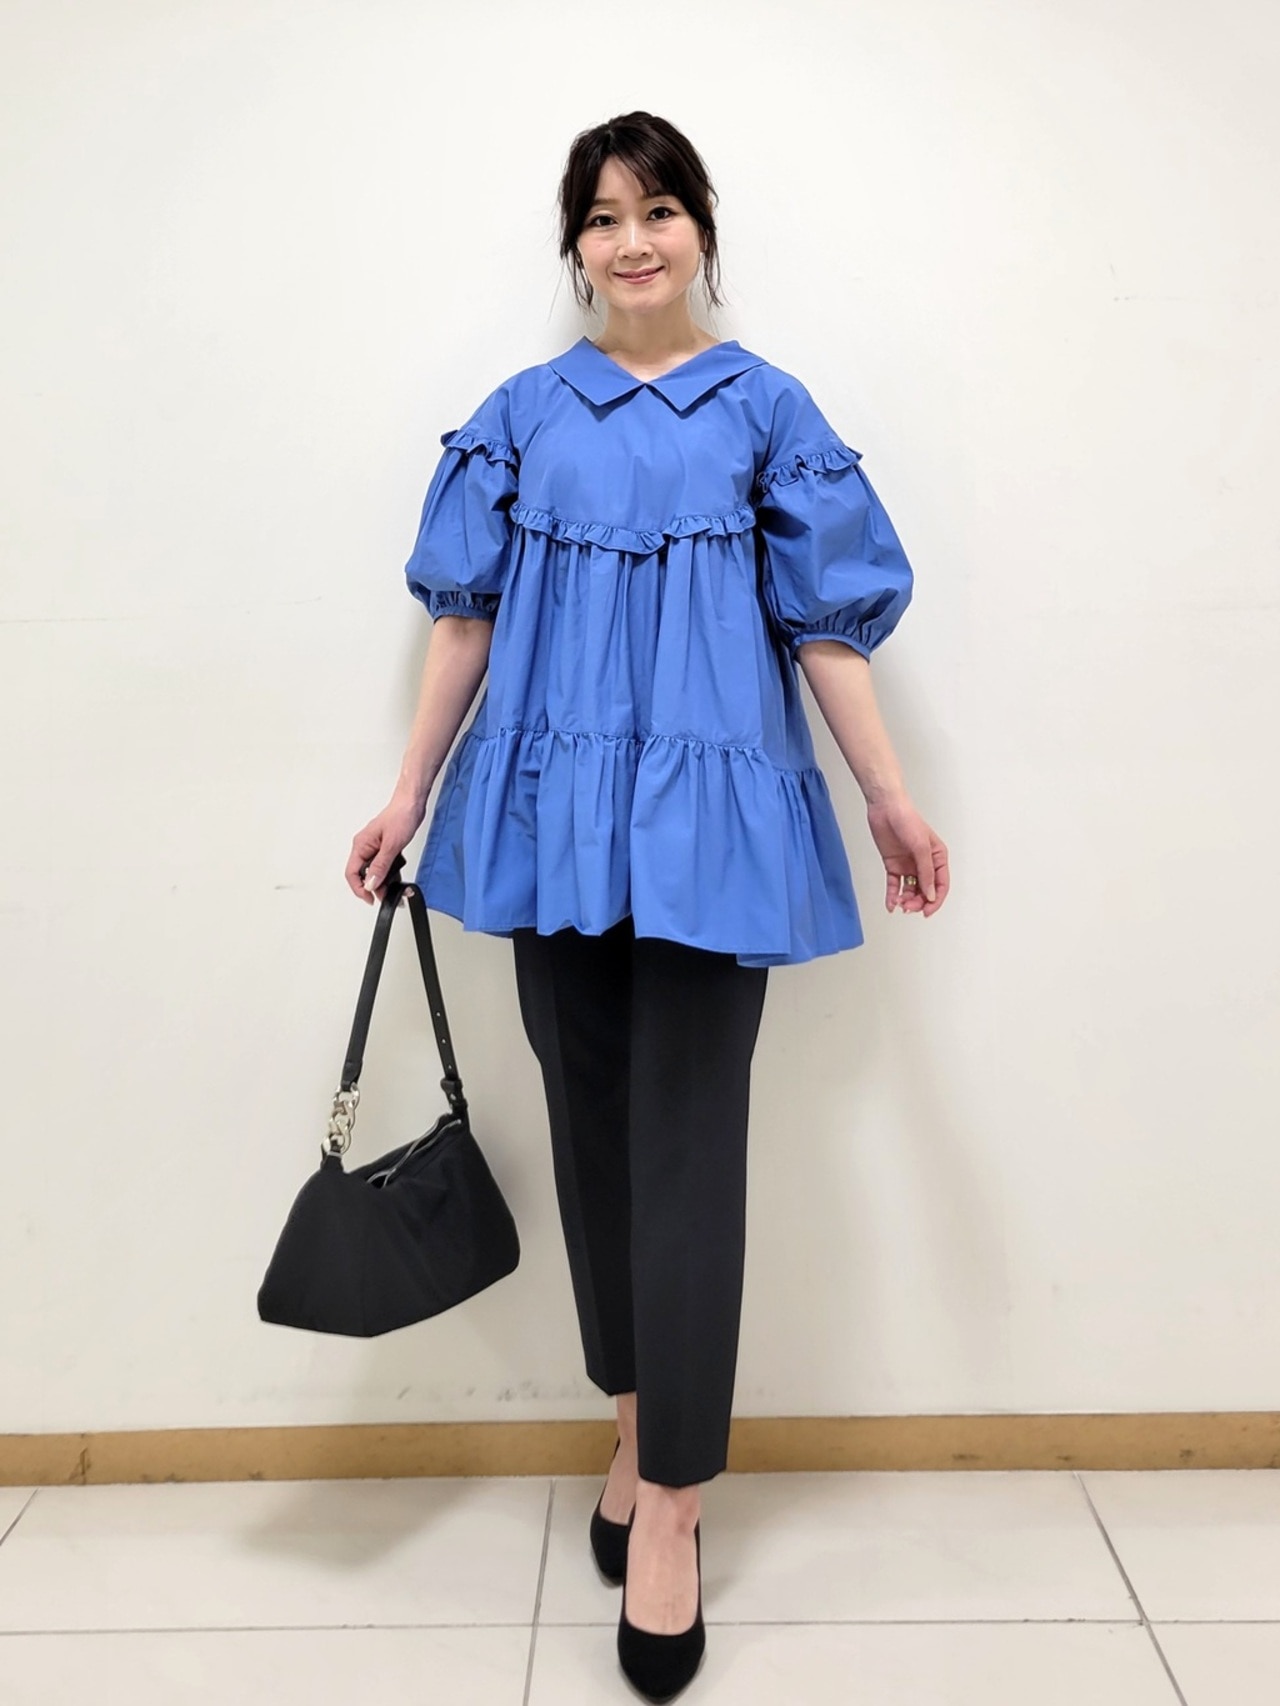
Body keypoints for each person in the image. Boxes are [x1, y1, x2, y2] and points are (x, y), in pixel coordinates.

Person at [346, 110, 950, 1703]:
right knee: (595, 1142)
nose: (633, 240)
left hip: (711, 835)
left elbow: (828, 628)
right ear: (576, 246)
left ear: (701, 230)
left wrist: (886, 794)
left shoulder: (767, 409)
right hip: (553, 823)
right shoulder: (520, 415)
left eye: (660, 209)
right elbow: (465, 624)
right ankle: (630, 1427)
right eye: (604, 216)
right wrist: (407, 793)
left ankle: (673, 1498)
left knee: (687, 1155)